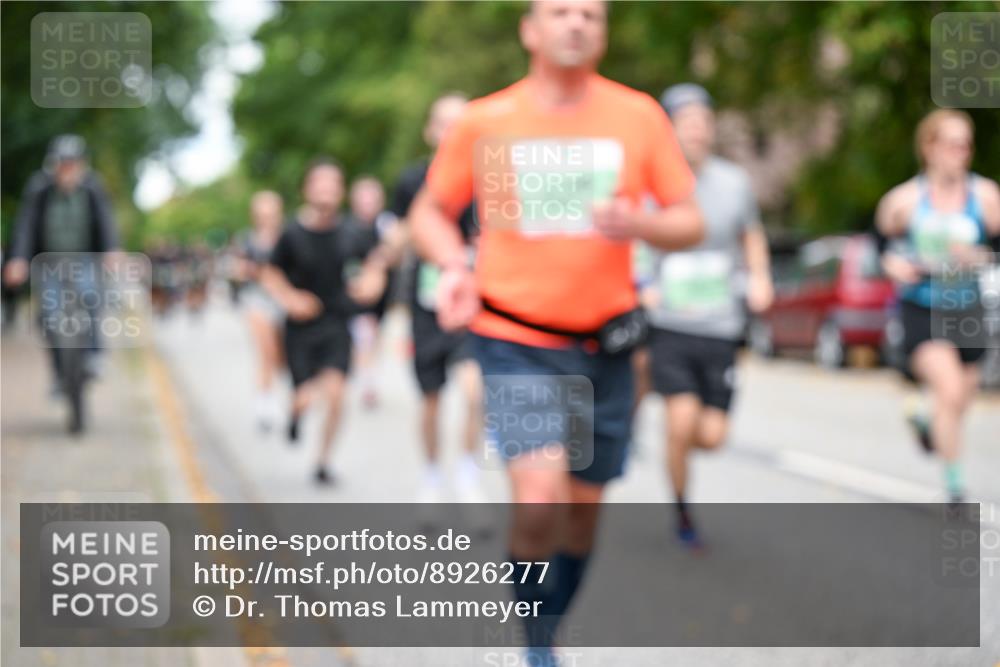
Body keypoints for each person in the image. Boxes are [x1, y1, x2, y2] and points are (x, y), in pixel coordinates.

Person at [409, 2, 703, 663]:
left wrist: (641, 225)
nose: (577, 24)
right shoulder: (487, 121)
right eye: (561, 11)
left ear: (604, 32)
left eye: (592, 15)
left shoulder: (637, 116)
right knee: (540, 497)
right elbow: (430, 211)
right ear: (530, 30)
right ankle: (538, 643)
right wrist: (454, 263)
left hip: (606, 346)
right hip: (515, 338)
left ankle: (551, 619)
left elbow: (690, 220)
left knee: (582, 510)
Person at [638, 84, 774, 549]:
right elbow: (637, 239)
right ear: (669, 130)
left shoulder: (734, 182)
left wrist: (759, 276)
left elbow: (750, 234)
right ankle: (681, 508)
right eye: (686, 121)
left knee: (710, 436)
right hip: (670, 323)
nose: (696, 130)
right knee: (680, 420)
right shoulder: (651, 183)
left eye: (703, 121)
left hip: (721, 324)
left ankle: (677, 446)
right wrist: (645, 286)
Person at [876, 109, 1000, 503]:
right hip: (922, 308)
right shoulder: (906, 199)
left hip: (967, 305)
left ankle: (926, 419)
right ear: (929, 147)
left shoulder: (985, 196)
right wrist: (892, 264)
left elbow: (995, 247)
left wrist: (977, 256)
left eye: (965, 144)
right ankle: (955, 488)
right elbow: (879, 244)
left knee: (960, 400)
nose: (960, 152)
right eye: (951, 143)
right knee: (947, 390)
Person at [260, 158, 390, 484]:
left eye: (334, 184)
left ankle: (322, 461)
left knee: (336, 396)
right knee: (304, 396)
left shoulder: (352, 232)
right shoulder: (292, 233)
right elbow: (270, 274)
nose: (327, 190)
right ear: (307, 189)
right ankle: (296, 411)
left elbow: (375, 264)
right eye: (320, 183)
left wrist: (372, 284)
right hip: (300, 330)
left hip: (337, 325)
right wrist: (291, 299)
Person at [391, 93, 486, 509]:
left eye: (459, 123)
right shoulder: (413, 181)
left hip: (475, 303)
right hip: (428, 302)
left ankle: (467, 474)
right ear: (430, 131)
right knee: (431, 398)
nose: (451, 132)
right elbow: (396, 236)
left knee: (475, 392)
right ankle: (431, 475)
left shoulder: (490, 179)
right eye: (443, 124)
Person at [3, 134, 120, 393]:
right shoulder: (39, 188)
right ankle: (59, 373)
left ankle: (94, 355)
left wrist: (112, 250)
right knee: (48, 315)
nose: (68, 170)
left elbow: (105, 220)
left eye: (73, 164)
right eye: (63, 164)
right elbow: (26, 225)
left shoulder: (93, 186)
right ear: (53, 165)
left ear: (81, 165)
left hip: (84, 258)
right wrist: (18, 260)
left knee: (91, 296)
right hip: (48, 262)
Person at [235, 190, 286, 432]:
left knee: (279, 356)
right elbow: (239, 269)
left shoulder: (287, 237)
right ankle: (264, 401)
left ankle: (273, 394)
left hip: (283, 300)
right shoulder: (248, 239)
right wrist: (259, 274)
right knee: (265, 351)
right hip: (257, 299)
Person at [345, 176, 394, 409]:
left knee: (374, 337)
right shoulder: (348, 228)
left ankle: (369, 377)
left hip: (384, 295)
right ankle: (368, 383)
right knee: (364, 335)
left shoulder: (386, 225)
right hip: (359, 295)